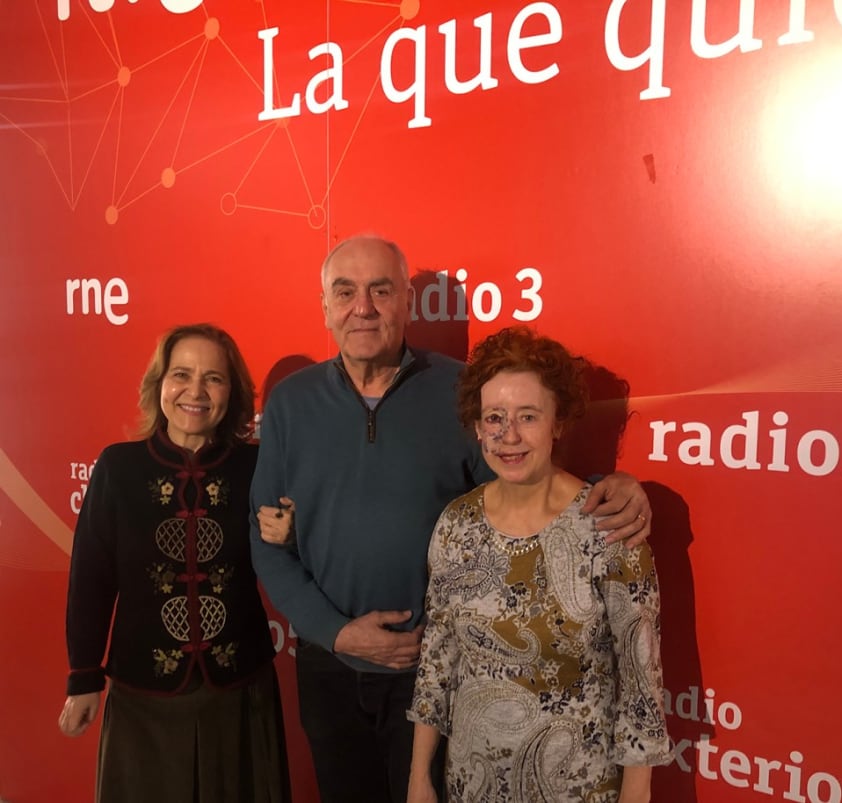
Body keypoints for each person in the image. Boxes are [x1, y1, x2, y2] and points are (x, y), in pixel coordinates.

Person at [249, 235, 653, 803]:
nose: (362, 307)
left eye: (380, 290)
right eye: (345, 292)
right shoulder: (290, 404)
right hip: (327, 666)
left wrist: (608, 490)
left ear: (407, 304)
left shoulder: (461, 390)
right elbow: (265, 540)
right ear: (325, 307)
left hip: (433, 676)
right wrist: (337, 632)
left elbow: (519, 490)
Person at [407, 326, 672, 803]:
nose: (509, 436)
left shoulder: (610, 528)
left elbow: (640, 688)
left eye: (528, 416)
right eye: (494, 418)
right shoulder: (456, 524)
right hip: (471, 786)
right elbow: (438, 660)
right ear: (476, 425)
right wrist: (419, 775)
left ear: (558, 422)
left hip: (578, 790)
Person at [58, 323, 292, 803]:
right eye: (181, 374)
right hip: (143, 696)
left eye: (214, 378)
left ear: (233, 392)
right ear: (158, 385)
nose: (196, 391)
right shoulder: (118, 468)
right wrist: (84, 677)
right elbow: (91, 579)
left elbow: (290, 560)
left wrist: (289, 537)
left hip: (238, 691)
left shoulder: (258, 465)